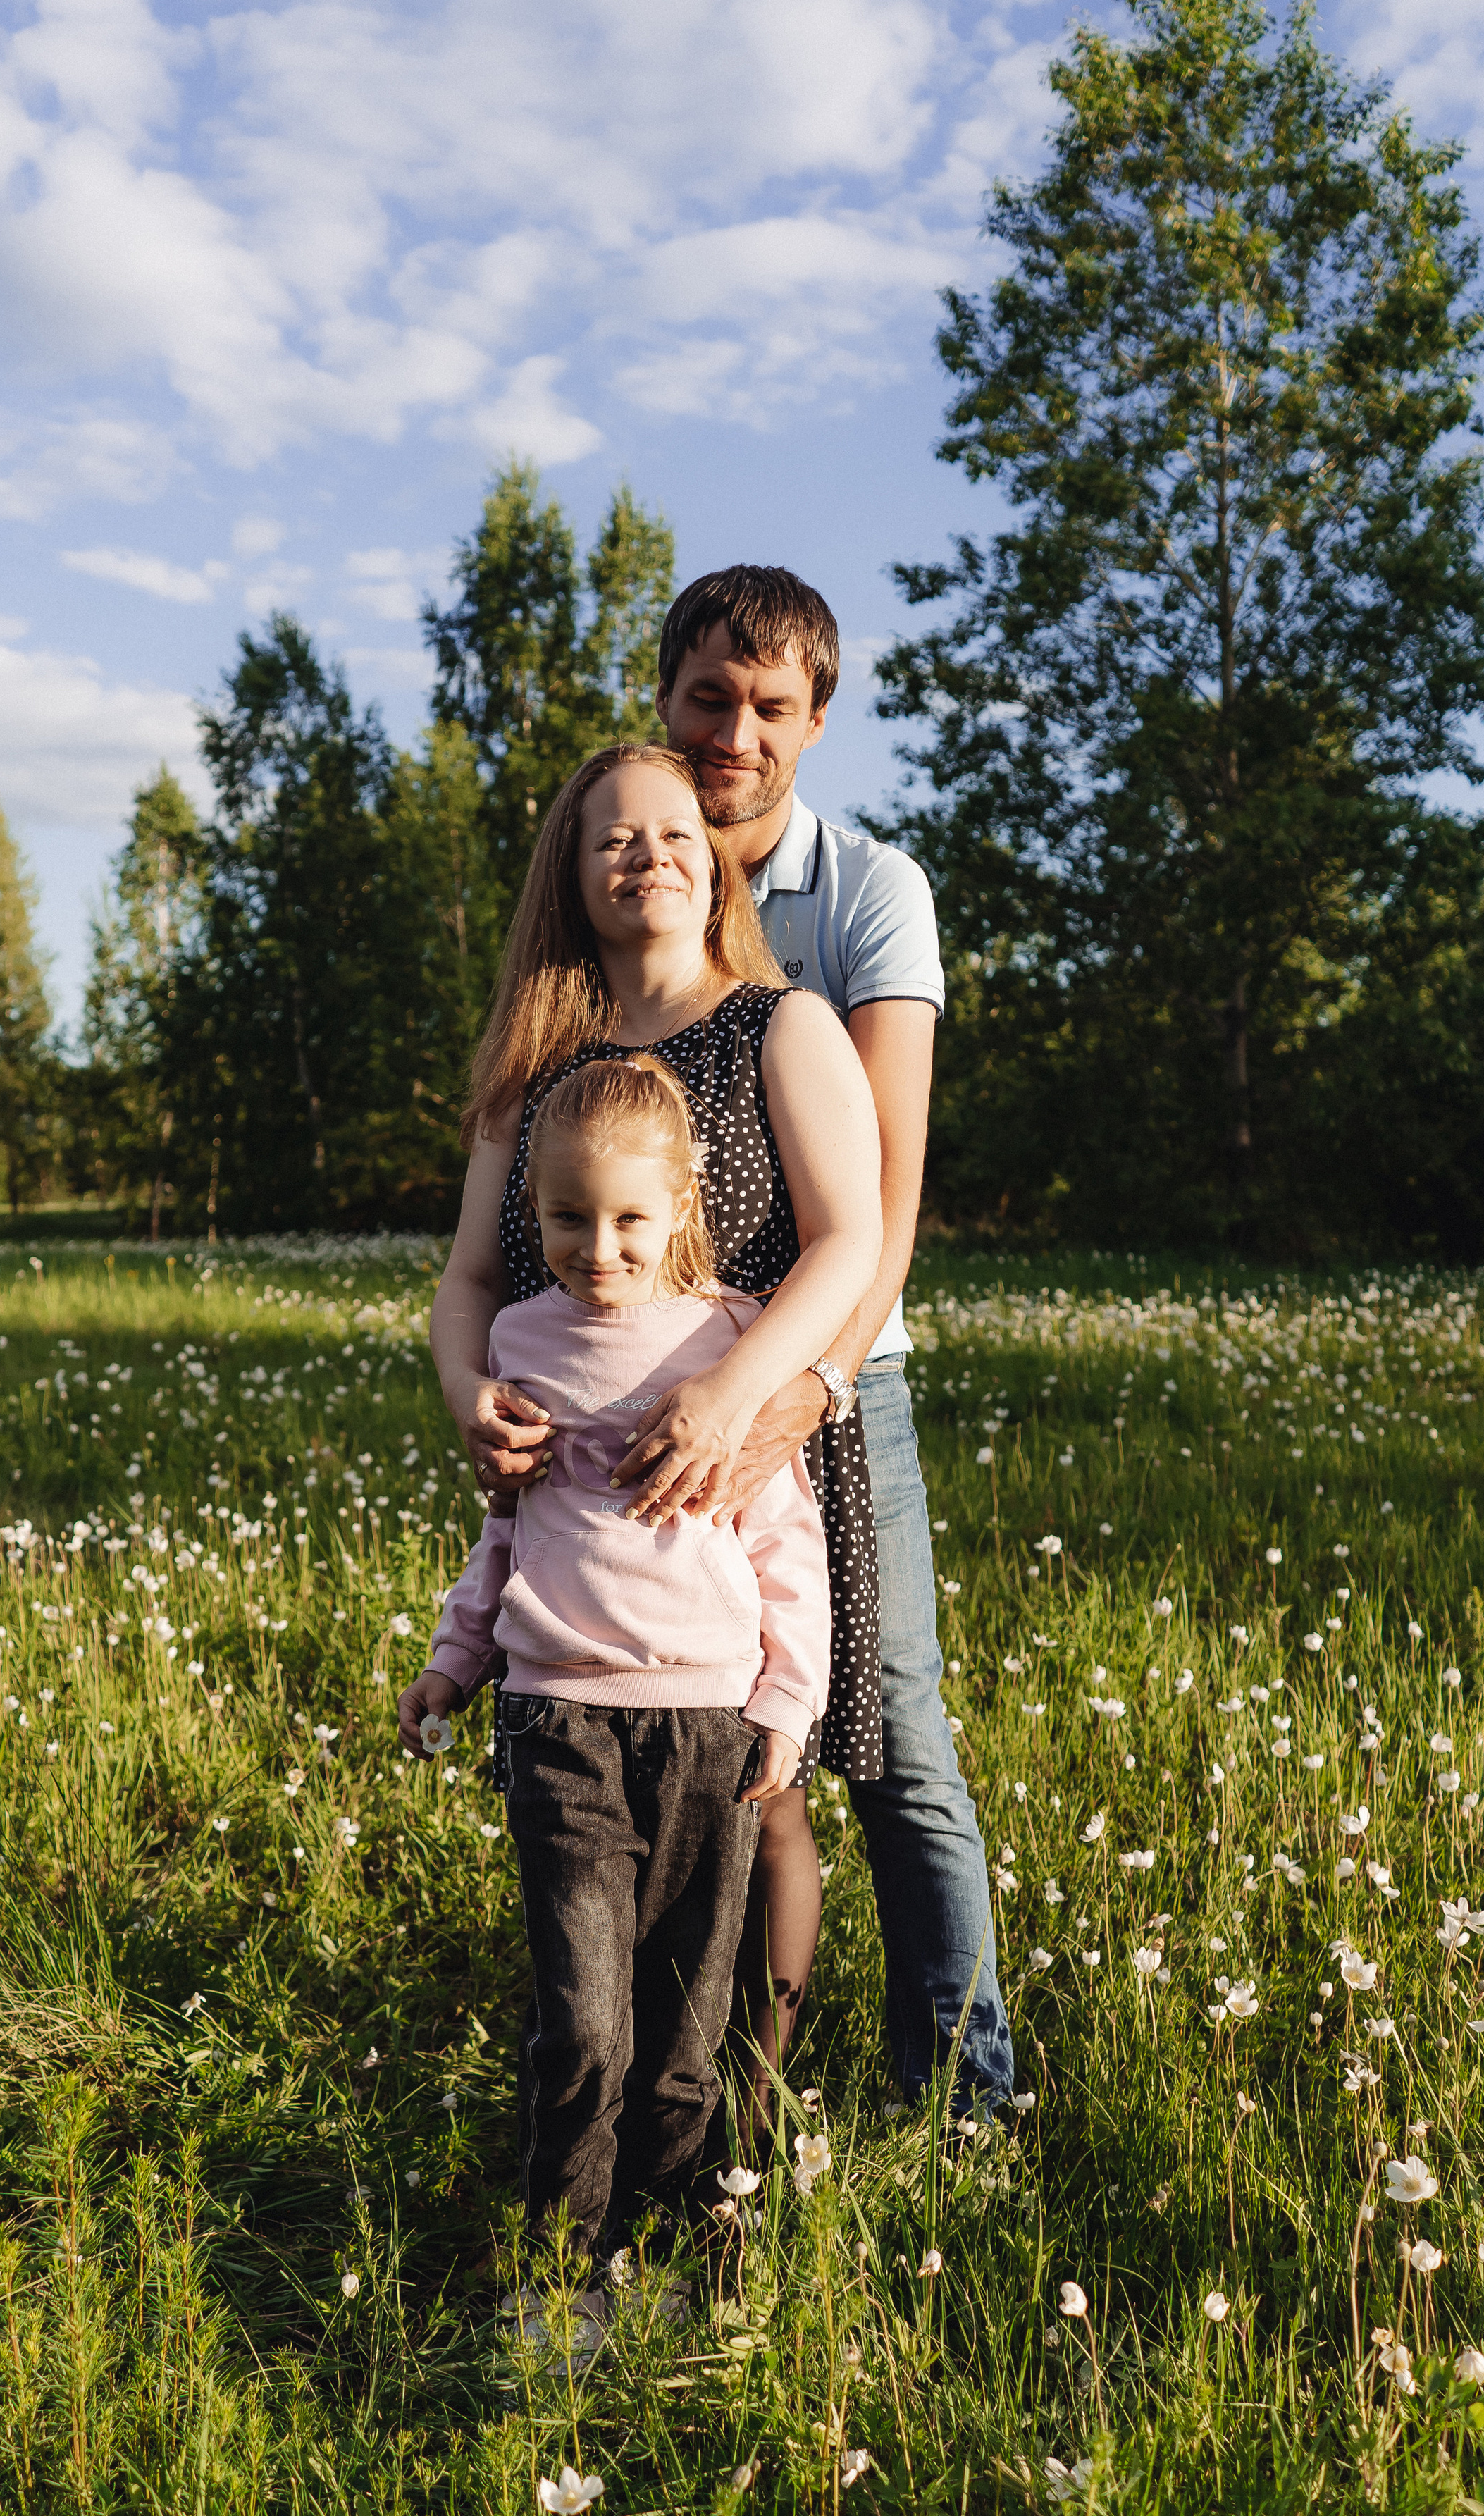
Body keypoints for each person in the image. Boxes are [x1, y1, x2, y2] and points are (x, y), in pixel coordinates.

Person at [430, 738, 886, 2116]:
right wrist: (467, 1402)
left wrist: (735, 1396)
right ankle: (601, 2109)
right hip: (570, 1483)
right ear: (570, 876)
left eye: (674, 830)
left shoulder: (778, 1025)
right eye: (610, 836)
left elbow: (849, 1239)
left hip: (747, 1452)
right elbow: (464, 1282)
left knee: (759, 1785)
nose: (647, 853)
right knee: (591, 1809)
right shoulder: (534, 1062)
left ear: (715, 858)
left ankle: (735, 2119)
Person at [649, 564, 1015, 2113]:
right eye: (707, 698)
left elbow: (884, 1194)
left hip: (832, 1374)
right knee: (680, 1739)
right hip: (656, 1379)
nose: (734, 731)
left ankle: (968, 2088)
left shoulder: (866, 891)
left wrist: (798, 1388)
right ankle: (688, 2072)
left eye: (769, 707)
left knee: (891, 1742)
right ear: (661, 696)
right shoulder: (626, 866)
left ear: (814, 719)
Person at [400, 1056, 831, 2262]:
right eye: (570, 1218)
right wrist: (458, 1656)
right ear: (530, 1212)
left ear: (683, 1203)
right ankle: (565, 2268)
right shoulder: (518, 1340)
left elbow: (785, 1538)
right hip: (558, 1725)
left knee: (687, 2024)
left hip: (712, 1726)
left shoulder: (729, 1340)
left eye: (631, 1218)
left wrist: (787, 1700)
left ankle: (681, 2247)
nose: (601, 1246)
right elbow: (507, 1525)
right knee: (584, 2023)